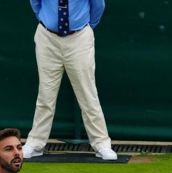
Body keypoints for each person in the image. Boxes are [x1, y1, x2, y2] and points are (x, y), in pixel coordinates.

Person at [23, 0, 118, 161]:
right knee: (46, 94)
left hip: (79, 37)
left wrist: (87, 27)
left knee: (88, 94)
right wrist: (45, 19)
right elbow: (35, 2)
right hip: (47, 37)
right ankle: (36, 144)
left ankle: (101, 144)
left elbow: (98, 6)